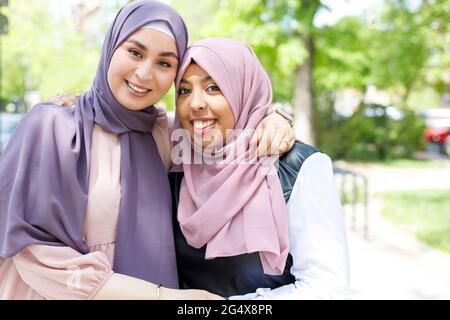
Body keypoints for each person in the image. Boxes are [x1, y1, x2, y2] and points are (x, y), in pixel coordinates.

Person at [0, 1, 293, 300]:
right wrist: (162, 296)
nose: (144, 73)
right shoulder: (51, 125)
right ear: (111, 47)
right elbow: (31, 251)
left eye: (164, 63)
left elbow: (230, 124)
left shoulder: (164, 135)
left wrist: (276, 116)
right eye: (135, 52)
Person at [169, 38, 350, 299]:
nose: (195, 103)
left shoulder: (296, 166)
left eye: (213, 87)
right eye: (184, 91)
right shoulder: (176, 165)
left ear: (243, 90)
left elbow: (326, 288)